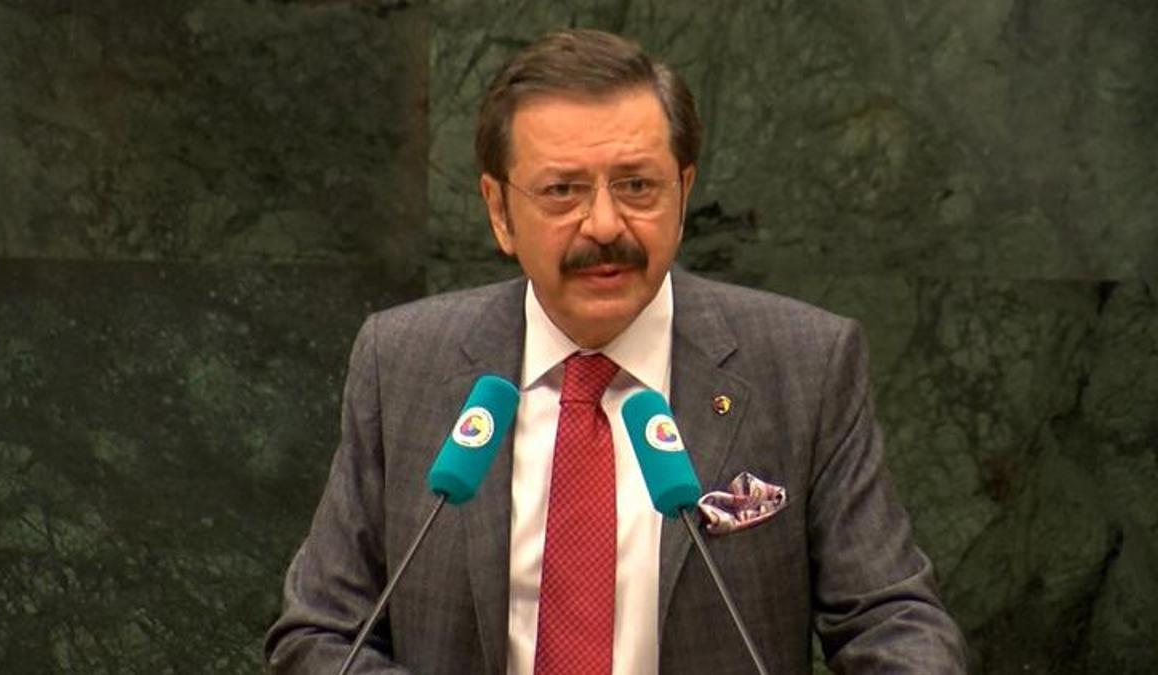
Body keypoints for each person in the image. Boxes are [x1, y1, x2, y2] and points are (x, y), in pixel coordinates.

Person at [265, 29, 966, 674]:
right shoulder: (403, 363)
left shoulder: (804, 364)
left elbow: (895, 623)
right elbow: (321, 631)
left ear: (683, 193)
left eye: (636, 186)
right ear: (500, 211)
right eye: (562, 190)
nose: (604, 224)